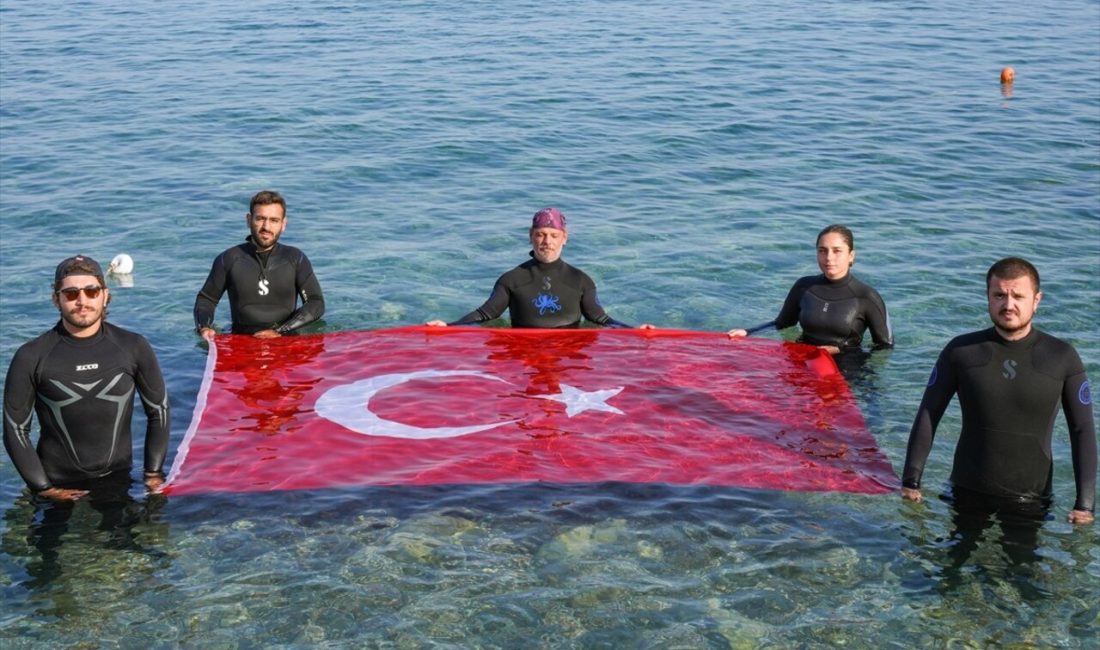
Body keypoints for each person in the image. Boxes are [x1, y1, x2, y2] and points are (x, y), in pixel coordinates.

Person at [901, 257, 1096, 527]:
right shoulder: (961, 351)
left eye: (1018, 296)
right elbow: (928, 413)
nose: (1008, 304)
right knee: (951, 568)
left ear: (1036, 300)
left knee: (1021, 569)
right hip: (965, 491)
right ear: (988, 297)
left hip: (1030, 499)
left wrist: (1084, 504)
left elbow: (1082, 430)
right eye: (999, 295)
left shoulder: (1062, 357)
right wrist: (911, 481)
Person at [3, 255, 171, 501]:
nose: (82, 301)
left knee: (135, 538)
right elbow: (15, 429)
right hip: (55, 486)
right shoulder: (31, 356)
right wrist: (44, 489)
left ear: (105, 295)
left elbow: (159, 412)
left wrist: (153, 473)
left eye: (91, 291)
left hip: (120, 480)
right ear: (56, 299)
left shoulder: (133, 346)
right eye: (71, 294)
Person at [426, 208, 648, 329]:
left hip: (566, 356)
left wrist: (635, 331)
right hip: (524, 356)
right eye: (540, 235)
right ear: (531, 237)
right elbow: (484, 314)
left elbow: (601, 319)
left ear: (565, 238)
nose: (547, 242)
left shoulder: (581, 281)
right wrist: (448, 326)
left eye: (554, 236)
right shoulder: (511, 280)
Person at [727, 224, 893, 355]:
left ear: (851, 256)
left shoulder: (866, 297)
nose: (828, 258)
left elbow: (885, 346)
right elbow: (782, 323)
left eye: (837, 251)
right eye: (822, 251)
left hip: (846, 368)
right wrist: (748, 332)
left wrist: (841, 350)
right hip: (804, 359)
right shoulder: (804, 287)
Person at [194, 190, 325, 339]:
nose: (266, 227)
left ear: (283, 224)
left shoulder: (296, 259)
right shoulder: (229, 259)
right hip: (241, 340)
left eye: (274, 220)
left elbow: (316, 303)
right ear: (249, 220)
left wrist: (280, 331)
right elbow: (207, 299)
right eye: (260, 219)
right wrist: (204, 327)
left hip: (284, 339)